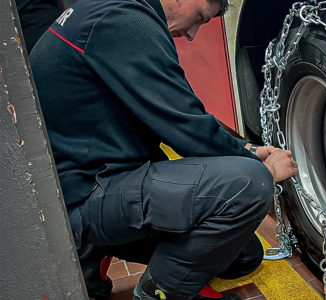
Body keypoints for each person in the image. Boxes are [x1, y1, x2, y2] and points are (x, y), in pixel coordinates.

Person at [28, 0, 299, 298]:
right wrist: (265, 169)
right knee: (249, 183)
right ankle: (159, 291)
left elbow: (175, 123)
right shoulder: (123, 21)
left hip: (96, 178)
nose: (192, 34)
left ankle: (104, 246)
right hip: (83, 197)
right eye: (199, 18)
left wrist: (244, 148)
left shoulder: (110, 9)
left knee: (242, 255)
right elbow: (184, 125)